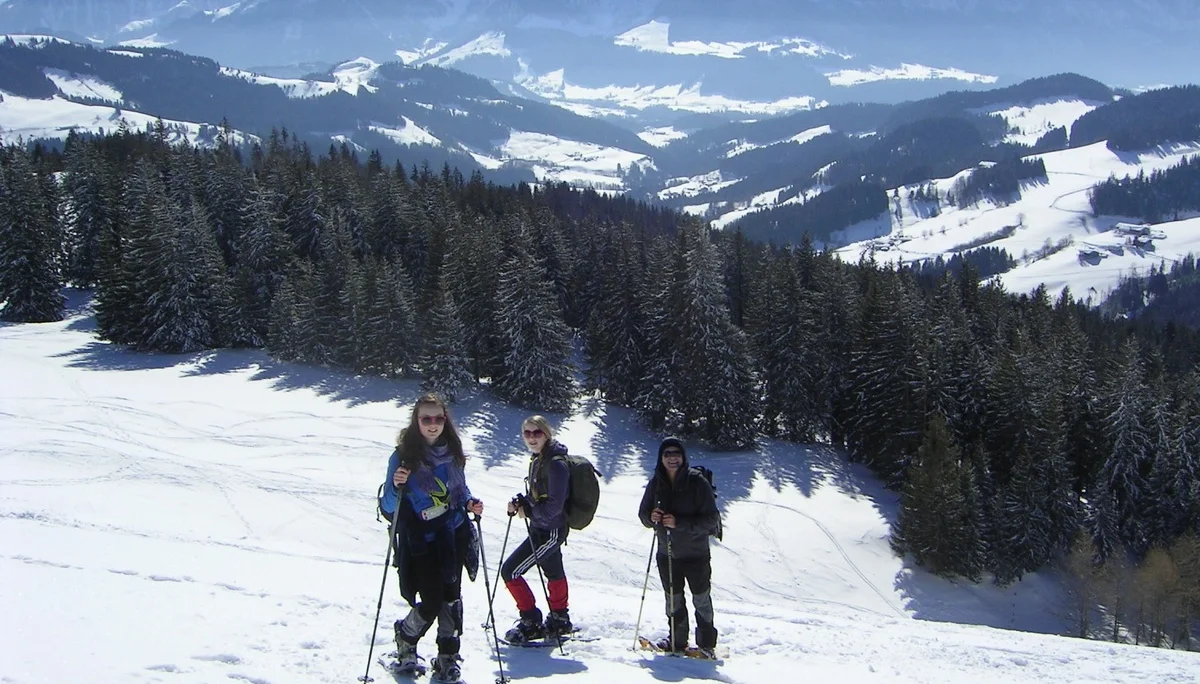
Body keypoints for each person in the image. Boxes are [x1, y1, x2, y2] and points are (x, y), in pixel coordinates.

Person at [379, 394, 484, 682]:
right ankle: (406, 637)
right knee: (431, 599)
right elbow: (388, 506)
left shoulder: (453, 451)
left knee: (451, 597)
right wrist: (396, 485)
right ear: (416, 421)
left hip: (454, 533)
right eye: (427, 418)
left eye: (439, 418)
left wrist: (469, 503)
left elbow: (459, 491)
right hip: (422, 540)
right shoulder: (403, 457)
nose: (433, 424)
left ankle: (448, 655)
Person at [637, 437, 720, 656]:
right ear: (661, 458)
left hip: (695, 554)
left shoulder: (697, 482)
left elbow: (711, 520)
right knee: (673, 600)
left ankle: (706, 644)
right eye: (667, 454)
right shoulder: (656, 483)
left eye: (676, 453)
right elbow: (642, 514)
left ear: (683, 457)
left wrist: (679, 523)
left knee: (701, 599)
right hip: (667, 553)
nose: (672, 458)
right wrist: (650, 516)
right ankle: (677, 641)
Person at [501, 415, 573, 643]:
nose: (532, 438)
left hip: (549, 531)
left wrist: (529, 512)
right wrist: (523, 502)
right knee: (553, 571)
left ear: (546, 434)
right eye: (527, 433)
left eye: (537, 433)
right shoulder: (539, 458)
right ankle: (559, 618)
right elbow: (540, 496)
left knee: (510, 571)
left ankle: (531, 621)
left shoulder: (556, 464)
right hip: (542, 528)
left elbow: (555, 505)